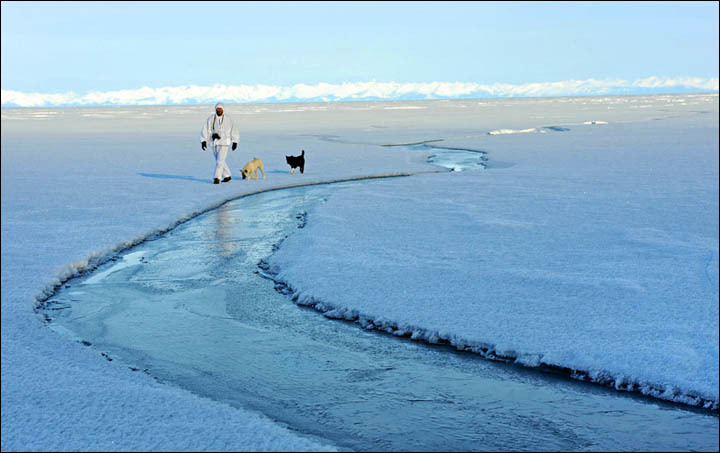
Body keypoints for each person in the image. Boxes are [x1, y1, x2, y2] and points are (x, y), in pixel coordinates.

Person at [200, 103, 239, 184]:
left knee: (220, 161)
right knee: (219, 160)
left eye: (220, 109)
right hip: (214, 142)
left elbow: (234, 130)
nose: (219, 110)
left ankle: (217, 178)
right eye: (218, 109)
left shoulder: (228, 119)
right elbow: (205, 129)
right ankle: (227, 175)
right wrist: (204, 141)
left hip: (224, 142)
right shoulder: (211, 119)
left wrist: (235, 141)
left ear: (223, 109)